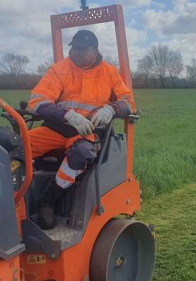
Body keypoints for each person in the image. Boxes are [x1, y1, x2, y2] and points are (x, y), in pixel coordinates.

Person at [28, 30, 136, 229]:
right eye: (73, 47)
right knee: (16, 144)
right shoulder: (59, 70)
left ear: (94, 51)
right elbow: (37, 101)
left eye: (81, 49)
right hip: (56, 128)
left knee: (81, 153)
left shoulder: (110, 73)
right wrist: (67, 115)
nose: (75, 52)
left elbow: (129, 102)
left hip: (87, 132)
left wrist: (111, 109)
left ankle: (47, 200)